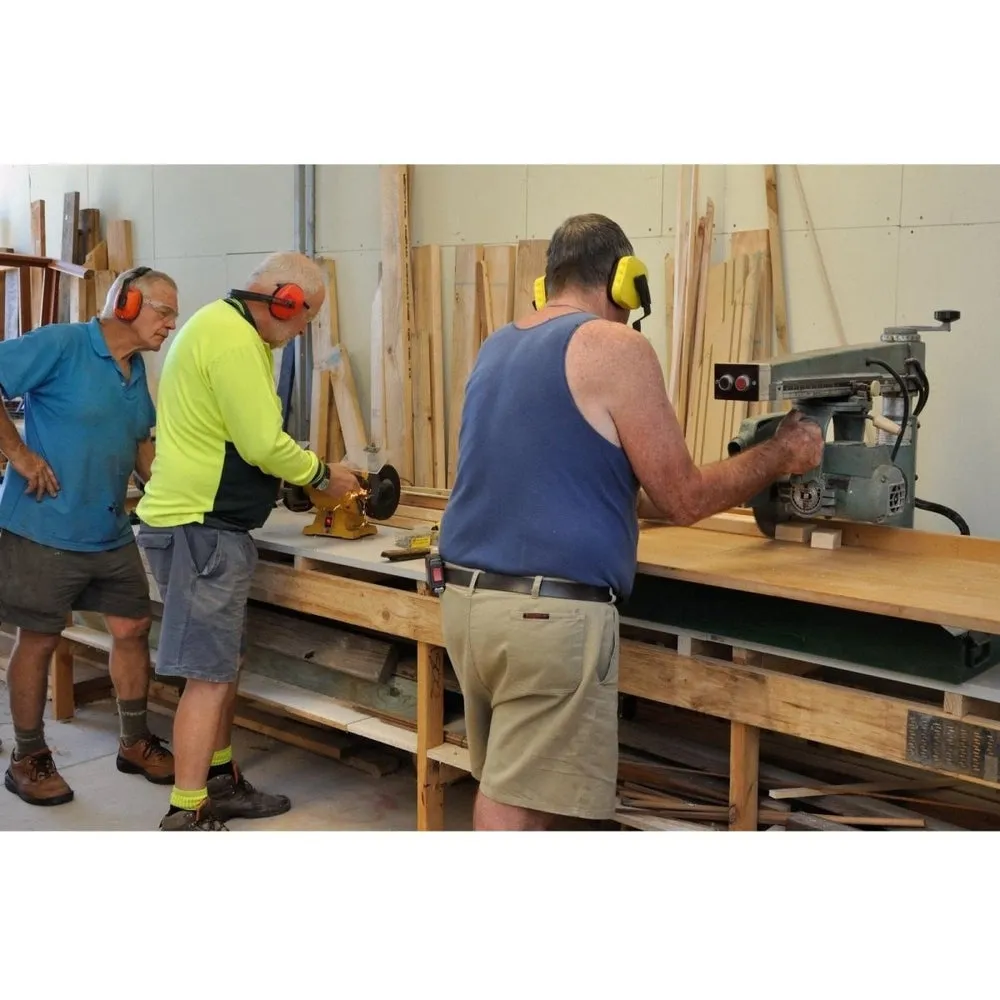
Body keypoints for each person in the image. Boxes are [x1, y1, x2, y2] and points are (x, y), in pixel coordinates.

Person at [437, 213, 825, 832]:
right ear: (627, 283)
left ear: (547, 282)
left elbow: (573, 479)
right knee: (517, 804)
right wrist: (780, 455)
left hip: (468, 604)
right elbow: (683, 499)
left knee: (509, 783)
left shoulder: (498, 343)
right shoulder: (616, 346)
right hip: (547, 620)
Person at [135, 251, 362, 831]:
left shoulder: (221, 326)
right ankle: (186, 813)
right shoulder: (235, 339)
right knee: (208, 676)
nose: (301, 332)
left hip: (203, 527)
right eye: (304, 319)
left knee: (222, 664)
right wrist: (321, 475)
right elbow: (263, 442)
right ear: (284, 301)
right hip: (200, 530)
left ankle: (220, 779)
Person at [0, 266, 179, 806]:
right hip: (44, 526)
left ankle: (133, 740)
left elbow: (141, 445)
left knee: (132, 628)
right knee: (40, 638)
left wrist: (169, 491)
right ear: (126, 303)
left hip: (109, 529)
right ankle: (27, 756)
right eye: (164, 310)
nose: (172, 322)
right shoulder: (62, 344)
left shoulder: (135, 368)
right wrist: (20, 453)